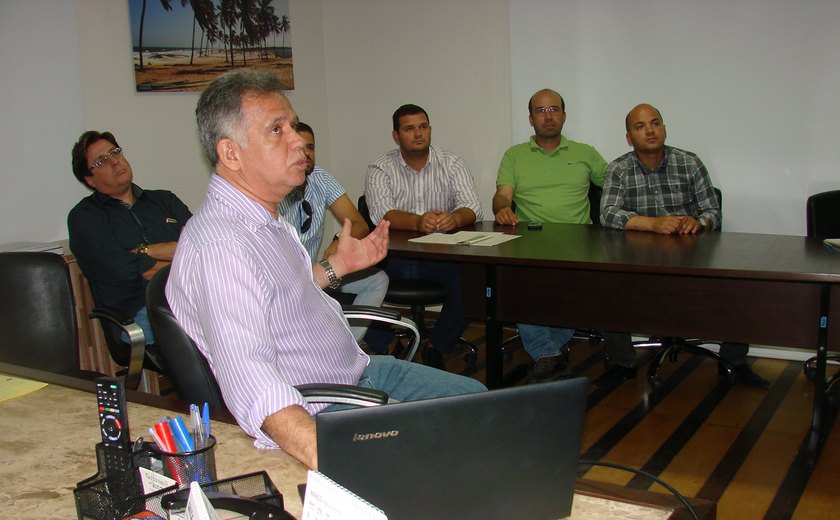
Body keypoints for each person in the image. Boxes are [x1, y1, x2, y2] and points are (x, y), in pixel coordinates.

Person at [167, 69, 486, 470]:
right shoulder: (221, 245)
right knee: (444, 452)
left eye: (294, 126)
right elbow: (252, 380)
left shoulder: (264, 220)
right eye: (276, 130)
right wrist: (335, 458)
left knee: (479, 401)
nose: (298, 140)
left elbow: (281, 290)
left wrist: (338, 266)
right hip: (323, 403)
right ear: (231, 153)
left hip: (360, 372)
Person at [597, 103, 769, 389]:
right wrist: (652, 223)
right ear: (629, 137)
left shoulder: (689, 162)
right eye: (640, 127)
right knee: (606, 286)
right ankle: (621, 362)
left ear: (664, 128)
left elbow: (713, 211)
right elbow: (607, 213)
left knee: (740, 285)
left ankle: (735, 363)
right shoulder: (619, 169)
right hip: (636, 258)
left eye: (655, 123)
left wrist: (698, 222)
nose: (649, 130)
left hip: (691, 257)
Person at [493, 89, 607, 383]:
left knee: (573, 289)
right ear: (531, 119)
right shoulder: (515, 155)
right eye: (541, 111)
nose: (548, 116)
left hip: (578, 241)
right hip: (529, 239)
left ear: (564, 116)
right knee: (515, 283)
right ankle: (550, 353)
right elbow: (502, 196)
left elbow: (616, 185)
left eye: (554, 109)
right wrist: (503, 209)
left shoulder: (585, 153)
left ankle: (548, 352)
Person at [365, 104, 483, 369]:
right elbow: (380, 214)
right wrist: (417, 222)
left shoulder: (451, 162)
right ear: (396, 136)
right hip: (395, 258)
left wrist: (456, 218)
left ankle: (437, 343)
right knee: (353, 280)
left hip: (440, 258)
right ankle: (386, 342)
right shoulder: (380, 167)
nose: (418, 134)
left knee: (473, 281)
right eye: (409, 128)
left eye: (423, 127)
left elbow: (473, 207)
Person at [68, 130, 191, 346]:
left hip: (190, 300)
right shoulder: (85, 218)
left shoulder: (164, 200)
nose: (115, 161)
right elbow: (129, 271)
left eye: (115, 152)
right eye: (102, 161)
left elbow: (200, 249)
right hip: (138, 315)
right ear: (90, 180)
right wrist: (182, 260)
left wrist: (142, 251)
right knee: (218, 326)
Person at [278, 122, 391, 352]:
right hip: (287, 284)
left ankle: (348, 346)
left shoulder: (320, 178)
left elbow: (358, 222)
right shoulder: (276, 187)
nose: (305, 153)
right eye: (298, 147)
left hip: (318, 272)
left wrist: (339, 240)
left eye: (310, 147)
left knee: (377, 279)